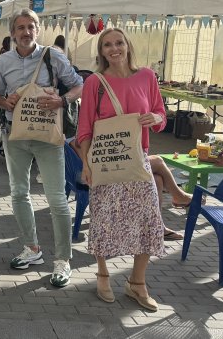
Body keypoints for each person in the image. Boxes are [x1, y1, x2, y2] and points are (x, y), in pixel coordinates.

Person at [0, 9, 82, 287]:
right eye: (21, 27)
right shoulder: (3, 61)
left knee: (56, 200)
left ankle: (63, 260)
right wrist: (3, 102)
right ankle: (32, 248)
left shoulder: (54, 56)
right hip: (15, 136)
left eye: (31, 26)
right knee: (19, 193)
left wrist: (62, 101)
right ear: (12, 32)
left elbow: (80, 85)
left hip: (47, 136)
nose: (26, 31)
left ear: (38, 30)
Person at [76, 28, 166, 311]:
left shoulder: (147, 76)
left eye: (118, 43)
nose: (114, 49)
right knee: (103, 219)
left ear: (127, 45)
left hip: (138, 160)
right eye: (107, 45)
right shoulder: (95, 82)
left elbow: (161, 116)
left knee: (149, 219)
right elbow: (85, 127)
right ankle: (103, 274)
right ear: (101, 52)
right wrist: (86, 163)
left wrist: (155, 117)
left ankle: (137, 282)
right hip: (105, 161)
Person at [147, 155, 192, 241]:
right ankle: (179, 196)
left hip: (131, 160)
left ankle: (159, 227)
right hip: (118, 164)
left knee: (157, 179)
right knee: (158, 161)